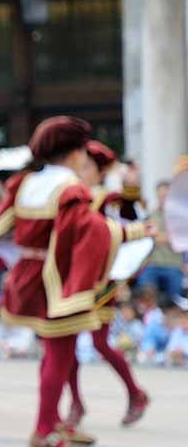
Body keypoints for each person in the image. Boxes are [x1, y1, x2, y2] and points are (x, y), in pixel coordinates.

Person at [0, 117, 148, 447]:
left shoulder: (25, 183)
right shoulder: (70, 188)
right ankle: (45, 430)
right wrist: (141, 232)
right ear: (76, 152)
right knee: (60, 355)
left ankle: (55, 420)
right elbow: (92, 232)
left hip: (29, 274)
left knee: (56, 354)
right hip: (61, 281)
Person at [64, 140, 150, 429]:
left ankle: (136, 393)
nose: (80, 170)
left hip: (101, 279)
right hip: (73, 276)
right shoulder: (71, 194)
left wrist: (129, 183)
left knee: (99, 342)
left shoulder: (108, 197)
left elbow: (133, 212)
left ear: (100, 171)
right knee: (66, 342)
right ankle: (75, 402)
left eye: (87, 166)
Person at [134, 180, 184, 306]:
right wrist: (167, 237)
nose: (163, 199)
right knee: (145, 291)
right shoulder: (149, 215)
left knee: (175, 300)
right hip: (152, 264)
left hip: (173, 265)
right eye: (161, 196)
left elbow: (180, 238)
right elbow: (144, 237)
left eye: (166, 196)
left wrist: (157, 237)